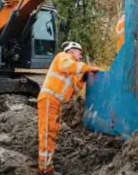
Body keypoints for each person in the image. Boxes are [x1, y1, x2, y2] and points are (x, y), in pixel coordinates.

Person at [38, 41, 101, 175]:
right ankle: (44, 170)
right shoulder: (63, 57)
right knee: (47, 133)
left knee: (51, 133)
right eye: (79, 52)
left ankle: (46, 166)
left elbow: (73, 90)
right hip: (49, 100)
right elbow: (70, 65)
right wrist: (87, 68)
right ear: (71, 51)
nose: (80, 56)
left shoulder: (69, 73)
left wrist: (83, 79)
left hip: (55, 103)